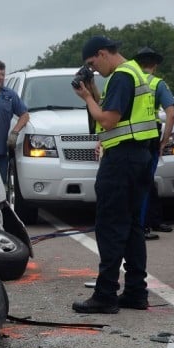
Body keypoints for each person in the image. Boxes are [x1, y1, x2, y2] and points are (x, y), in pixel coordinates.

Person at [71, 35, 158, 314]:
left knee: (110, 227)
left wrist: (86, 98)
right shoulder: (134, 72)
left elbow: (108, 120)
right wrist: (94, 92)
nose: (93, 69)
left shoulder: (121, 76)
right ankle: (135, 292)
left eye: (92, 63)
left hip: (121, 161)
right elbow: (113, 112)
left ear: (102, 53)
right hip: (140, 157)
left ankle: (105, 294)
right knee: (132, 226)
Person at [133, 47, 174, 241]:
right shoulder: (158, 84)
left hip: (128, 138)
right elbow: (171, 114)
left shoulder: (128, 80)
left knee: (139, 182)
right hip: (150, 137)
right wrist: (164, 140)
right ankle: (142, 227)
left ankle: (149, 220)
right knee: (145, 181)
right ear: (155, 65)